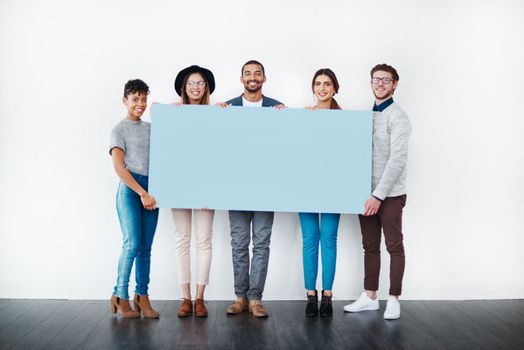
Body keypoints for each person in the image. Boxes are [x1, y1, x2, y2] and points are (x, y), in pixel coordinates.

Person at [343, 63, 411, 320]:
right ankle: (370, 296)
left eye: (386, 80)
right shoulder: (366, 116)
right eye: (376, 79)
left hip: (389, 195)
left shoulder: (398, 117)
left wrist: (378, 195)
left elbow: (397, 161)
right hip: (365, 192)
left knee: (394, 245)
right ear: (370, 83)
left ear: (394, 84)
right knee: (370, 245)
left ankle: (393, 299)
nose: (380, 83)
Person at [219, 60, 284, 318]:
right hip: (235, 187)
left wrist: (287, 119)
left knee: (262, 244)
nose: (253, 77)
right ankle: (240, 297)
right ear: (241, 78)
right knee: (238, 244)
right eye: (248, 73)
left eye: (257, 73)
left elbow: (286, 145)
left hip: (266, 188)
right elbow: (215, 143)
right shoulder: (229, 108)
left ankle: (256, 298)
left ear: (264, 78)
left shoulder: (276, 108)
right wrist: (213, 116)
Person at [109, 79, 160, 318]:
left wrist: (168, 113)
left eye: (143, 99)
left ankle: (142, 295)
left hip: (151, 190)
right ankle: (120, 295)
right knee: (132, 243)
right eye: (135, 99)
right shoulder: (118, 130)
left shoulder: (151, 129)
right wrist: (142, 193)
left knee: (146, 247)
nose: (140, 104)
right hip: (131, 190)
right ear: (125, 101)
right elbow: (119, 168)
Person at [171, 65, 216, 317]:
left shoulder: (215, 114)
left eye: (200, 83)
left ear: (206, 87)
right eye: (191, 83)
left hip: (206, 186)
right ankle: (185, 297)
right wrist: (167, 114)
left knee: (204, 240)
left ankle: (200, 297)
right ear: (183, 88)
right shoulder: (174, 113)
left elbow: (219, 152)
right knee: (182, 240)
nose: (196, 87)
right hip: (178, 184)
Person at [301, 68, 342, 317]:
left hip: (334, 187)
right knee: (309, 240)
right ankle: (310, 295)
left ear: (335, 88)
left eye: (327, 84)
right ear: (313, 88)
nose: (322, 88)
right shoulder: (305, 116)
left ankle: (327, 295)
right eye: (318, 84)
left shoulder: (343, 119)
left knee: (328, 240)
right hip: (305, 186)